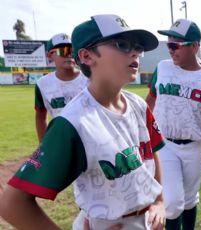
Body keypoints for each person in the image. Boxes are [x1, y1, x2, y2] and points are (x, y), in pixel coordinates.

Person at [0, 14, 167, 229]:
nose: (135, 52)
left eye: (137, 47)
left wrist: (159, 200)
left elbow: (152, 152)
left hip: (149, 219)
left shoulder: (138, 105)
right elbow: (12, 203)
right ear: (87, 56)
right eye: (122, 44)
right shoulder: (73, 123)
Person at [145, 19, 201, 229]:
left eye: (175, 45)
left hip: (195, 146)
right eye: (168, 45)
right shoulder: (163, 68)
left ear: (194, 46)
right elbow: (151, 99)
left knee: (190, 199)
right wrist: (141, 131)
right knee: (172, 203)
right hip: (165, 145)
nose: (170, 50)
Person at [35, 33, 88, 142]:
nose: (69, 55)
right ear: (50, 55)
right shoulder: (42, 84)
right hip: (62, 140)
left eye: (72, 51)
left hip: (90, 139)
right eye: (64, 51)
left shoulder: (90, 79)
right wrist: (43, 146)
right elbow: (40, 116)